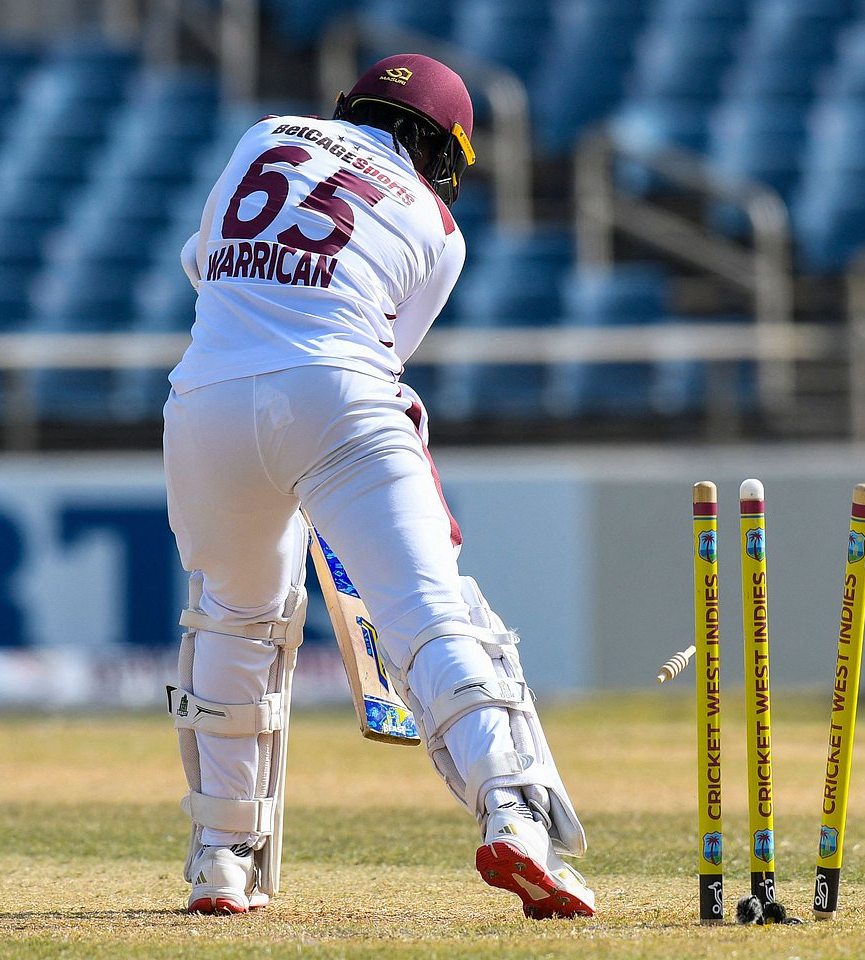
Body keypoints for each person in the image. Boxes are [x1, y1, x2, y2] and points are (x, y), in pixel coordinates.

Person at [161, 53, 595, 920]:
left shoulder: (264, 134)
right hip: (340, 395)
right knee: (428, 613)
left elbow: (201, 264)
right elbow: (385, 349)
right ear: (437, 147)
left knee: (233, 620)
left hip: (204, 400)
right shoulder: (436, 224)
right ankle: (511, 810)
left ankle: (222, 858)